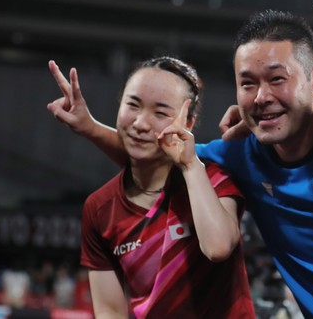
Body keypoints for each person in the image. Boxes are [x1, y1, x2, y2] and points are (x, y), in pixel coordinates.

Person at [47, 13, 313, 318]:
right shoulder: (235, 157)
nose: (260, 96)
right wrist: (90, 128)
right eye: (248, 84)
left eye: (276, 79)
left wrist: (284, 111)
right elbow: (155, 155)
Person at [49, 57, 255, 318]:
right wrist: (89, 126)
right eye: (132, 105)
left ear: (188, 123)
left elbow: (218, 248)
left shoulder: (212, 177)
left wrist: (190, 165)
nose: (140, 123)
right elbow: (110, 310)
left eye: (160, 113)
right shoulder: (100, 208)